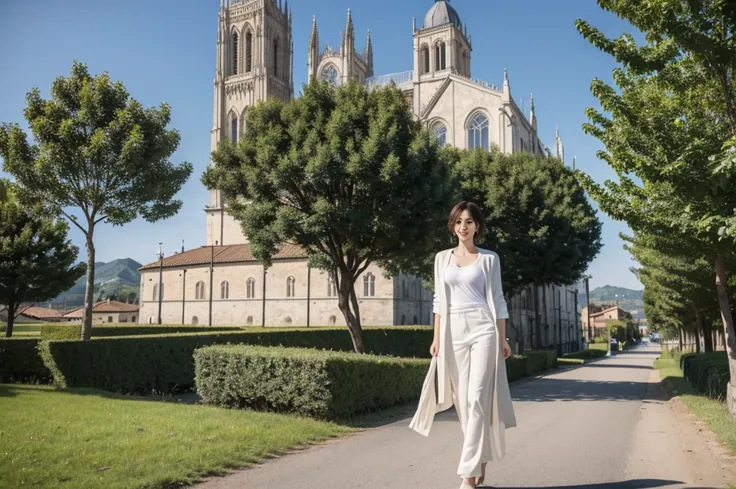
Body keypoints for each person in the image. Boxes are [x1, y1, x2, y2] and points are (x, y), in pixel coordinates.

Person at [410, 201, 517, 489]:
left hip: (483, 327)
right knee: (462, 402)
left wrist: (502, 337)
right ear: (452, 226)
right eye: (458, 222)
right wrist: (436, 337)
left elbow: (498, 299)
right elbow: (438, 301)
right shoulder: (441, 259)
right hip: (453, 329)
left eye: (469, 222)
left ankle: (467, 475)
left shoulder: (489, 259)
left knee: (477, 397)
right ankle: (480, 456)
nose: (463, 227)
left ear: (477, 226)